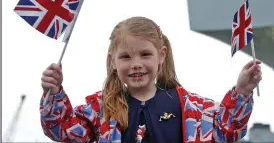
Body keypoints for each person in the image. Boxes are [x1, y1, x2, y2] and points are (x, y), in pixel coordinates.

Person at [40, 16, 262, 143]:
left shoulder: (196, 109)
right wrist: (54, 92)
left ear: (161, 55)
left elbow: (227, 131)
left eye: (145, 54)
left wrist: (242, 91)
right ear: (113, 61)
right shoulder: (99, 109)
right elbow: (60, 129)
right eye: (126, 57)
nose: (136, 63)